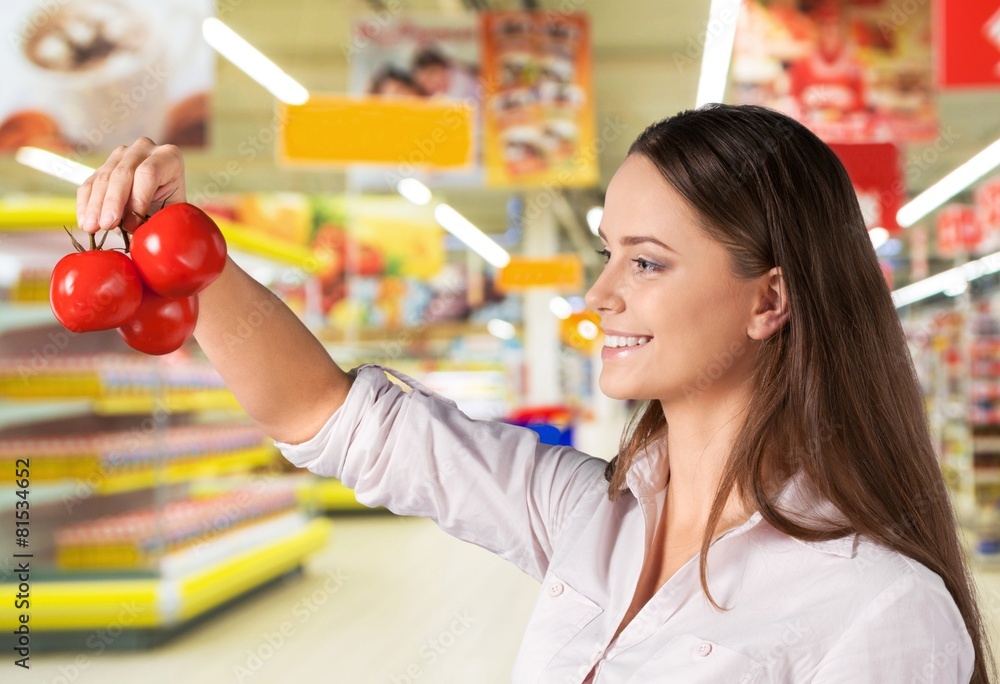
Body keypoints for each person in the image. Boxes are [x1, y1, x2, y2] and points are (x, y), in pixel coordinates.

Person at [77, 103, 994, 682]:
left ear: (771, 299)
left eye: (646, 262)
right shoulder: (586, 516)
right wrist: (180, 250)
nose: (602, 295)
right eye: (607, 256)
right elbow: (327, 415)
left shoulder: (883, 610)